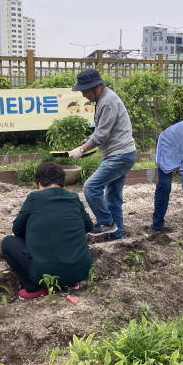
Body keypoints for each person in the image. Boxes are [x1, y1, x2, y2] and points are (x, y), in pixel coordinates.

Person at [2, 162, 94, 300]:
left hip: (46, 271)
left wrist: (34, 235)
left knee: (8, 242)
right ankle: (71, 281)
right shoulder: (74, 198)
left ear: (39, 183)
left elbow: (17, 229)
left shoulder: (34, 198)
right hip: (82, 269)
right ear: (62, 182)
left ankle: (34, 288)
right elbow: (89, 227)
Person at [68, 68, 136, 242]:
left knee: (91, 188)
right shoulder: (104, 100)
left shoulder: (107, 102)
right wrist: (85, 143)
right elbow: (101, 132)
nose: (84, 95)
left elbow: (101, 135)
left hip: (120, 156)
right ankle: (115, 234)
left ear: (95, 87)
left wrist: (82, 149)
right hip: (122, 153)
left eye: (84, 90)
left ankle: (106, 223)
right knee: (112, 196)